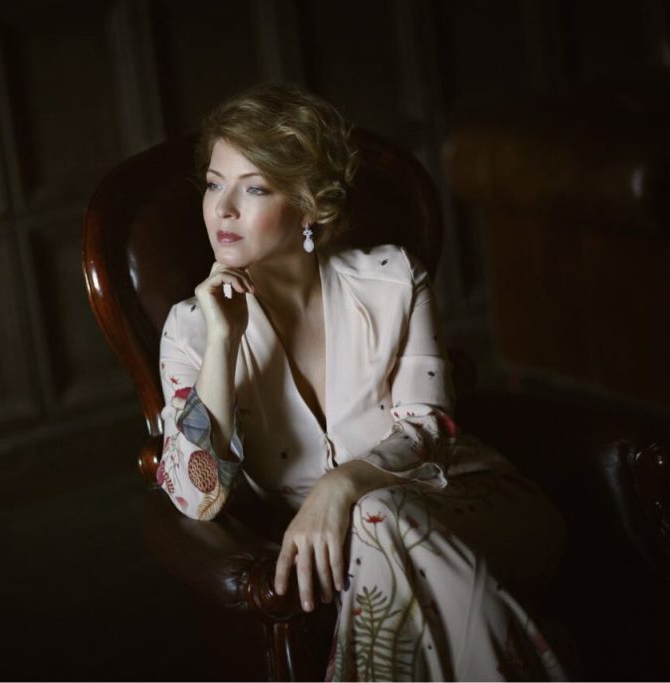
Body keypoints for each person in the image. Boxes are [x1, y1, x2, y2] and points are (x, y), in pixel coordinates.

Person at [155, 83, 568, 681]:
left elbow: (429, 428)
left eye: (255, 188)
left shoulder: (393, 280)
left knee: (377, 513)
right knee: (378, 523)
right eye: (215, 184)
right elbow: (196, 498)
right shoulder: (192, 328)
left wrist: (343, 484)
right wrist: (223, 344)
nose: (223, 209)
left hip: (468, 505)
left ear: (309, 206)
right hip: (354, 552)